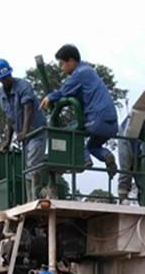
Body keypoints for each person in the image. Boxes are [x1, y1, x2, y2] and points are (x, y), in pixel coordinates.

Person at [39, 44, 119, 179]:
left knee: (70, 132)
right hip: (111, 124)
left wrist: (49, 97)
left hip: (97, 120)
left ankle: (84, 160)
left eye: (62, 63)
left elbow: (64, 92)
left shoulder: (80, 73)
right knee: (92, 146)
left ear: (71, 61)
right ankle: (106, 155)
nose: (61, 68)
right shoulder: (89, 71)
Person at [0, 58, 48, 198]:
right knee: (27, 168)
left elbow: (28, 109)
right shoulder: (1, 94)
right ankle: (39, 194)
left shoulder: (23, 86)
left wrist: (24, 131)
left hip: (36, 131)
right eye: (3, 78)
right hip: (24, 137)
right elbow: (9, 117)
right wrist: (7, 140)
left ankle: (33, 199)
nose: (7, 79)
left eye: (8, 75)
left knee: (32, 165)